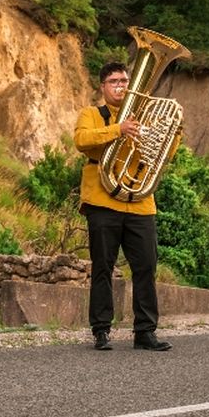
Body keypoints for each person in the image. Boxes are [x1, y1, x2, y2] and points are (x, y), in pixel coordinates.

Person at [74, 62, 175, 352]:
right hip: (102, 199)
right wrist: (118, 129)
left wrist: (173, 131)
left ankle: (145, 332)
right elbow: (82, 140)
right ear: (102, 87)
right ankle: (101, 330)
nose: (121, 86)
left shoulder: (144, 117)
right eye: (114, 81)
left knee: (146, 267)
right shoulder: (92, 114)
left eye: (125, 81)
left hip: (140, 202)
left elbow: (164, 152)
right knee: (103, 267)